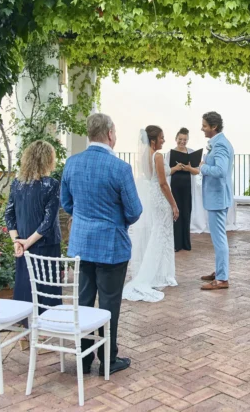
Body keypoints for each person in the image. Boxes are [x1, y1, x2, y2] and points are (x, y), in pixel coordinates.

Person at [61, 113, 143, 375]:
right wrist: (114, 219)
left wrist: (84, 218)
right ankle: (108, 359)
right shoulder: (120, 168)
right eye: (115, 133)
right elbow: (134, 211)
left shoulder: (72, 164)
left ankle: (83, 360)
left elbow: (66, 203)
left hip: (81, 245)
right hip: (111, 247)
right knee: (109, 305)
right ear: (109, 134)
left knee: (83, 302)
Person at [4, 140, 62, 350]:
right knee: (46, 288)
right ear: (48, 159)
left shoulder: (16, 184)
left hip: (23, 246)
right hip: (45, 245)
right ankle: (44, 333)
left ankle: (25, 334)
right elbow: (48, 221)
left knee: (25, 286)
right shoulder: (52, 185)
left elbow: (8, 214)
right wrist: (26, 242)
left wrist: (17, 242)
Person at [123, 125, 179, 302]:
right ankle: (156, 274)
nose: (164, 140)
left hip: (152, 197)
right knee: (161, 234)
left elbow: (150, 178)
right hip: (161, 199)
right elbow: (163, 183)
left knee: (158, 232)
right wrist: (174, 205)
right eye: (161, 137)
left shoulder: (143, 155)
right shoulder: (158, 155)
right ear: (153, 140)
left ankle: (161, 273)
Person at [187, 111, 234, 291]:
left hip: (217, 197)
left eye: (205, 125)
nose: (202, 128)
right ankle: (220, 271)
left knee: (219, 238)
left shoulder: (220, 145)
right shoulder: (218, 143)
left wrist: (202, 166)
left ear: (214, 127)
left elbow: (220, 171)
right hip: (217, 196)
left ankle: (222, 279)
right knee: (217, 237)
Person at [167, 127, 195, 251]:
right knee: (176, 213)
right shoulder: (170, 153)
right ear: (176, 139)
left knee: (186, 213)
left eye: (185, 139)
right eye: (180, 139)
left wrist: (188, 168)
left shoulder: (191, 152)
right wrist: (176, 168)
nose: (182, 141)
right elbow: (167, 172)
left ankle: (186, 243)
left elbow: (196, 171)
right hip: (175, 187)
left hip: (188, 186)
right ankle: (177, 244)